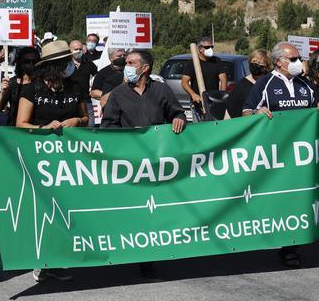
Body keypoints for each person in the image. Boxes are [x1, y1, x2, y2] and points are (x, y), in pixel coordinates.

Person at [243, 42, 319, 268]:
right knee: (275, 198)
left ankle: (290, 247)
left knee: (297, 198)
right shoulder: (265, 83)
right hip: (274, 153)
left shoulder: (306, 85)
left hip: (301, 154)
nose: (298, 63)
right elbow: (245, 111)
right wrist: (256, 112)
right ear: (279, 62)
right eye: (293, 59)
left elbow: (314, 110)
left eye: (298, 58)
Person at [101, 49, 185, 279]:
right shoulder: (118, 94)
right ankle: (136, 254)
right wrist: (128, 141)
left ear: (144, 68)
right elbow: (108, 127)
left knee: (156, 208)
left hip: (158, 163)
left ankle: (151, 255)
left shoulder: (162, 90)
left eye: (130, 62)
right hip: (131, 164)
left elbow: (177, 114)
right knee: (136, 209)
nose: (125, 66)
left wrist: (179, 119)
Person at [16, 40, 88, 283]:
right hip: (41, 159)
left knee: (67, 209)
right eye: (67, 62)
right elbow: (20, 125)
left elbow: (86, 116)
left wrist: (76, 122)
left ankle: (56, 260)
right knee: (46, 209)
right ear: (54, 66)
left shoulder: (75, 87)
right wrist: (43, 128)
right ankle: (42, 259)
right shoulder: (32, 90)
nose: (71, 65)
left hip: (71, 160)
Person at [181, 36, 228, 121]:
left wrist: (221, 98)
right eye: (207, 47)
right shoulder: (192, 63)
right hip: (197, 104)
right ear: (200, 49)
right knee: (200, 128)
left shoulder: (217, 61)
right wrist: (193, 94)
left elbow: (223, 80)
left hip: (214, 102)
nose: (210, 49)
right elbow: (184, 82)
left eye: (211, 47)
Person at [0, 47, 38, 126]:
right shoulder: (13, 83)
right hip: (14, 131)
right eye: (27, 61)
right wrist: (2, 92)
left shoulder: (41, 83)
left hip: (35, 131)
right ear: (21, 63)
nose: (31, 64)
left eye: (34, 61)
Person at [224, 49, 271, 119]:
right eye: (254, 62)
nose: (256, 65)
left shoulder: (271, 82)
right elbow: (229, 112)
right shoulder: (241, 86)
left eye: (259, 63)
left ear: (267, 66)